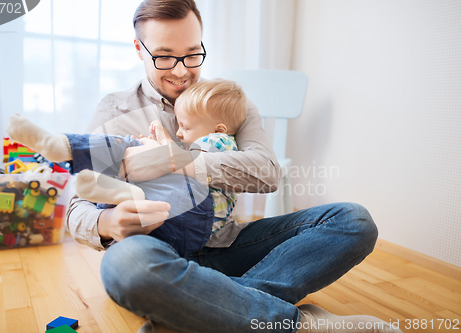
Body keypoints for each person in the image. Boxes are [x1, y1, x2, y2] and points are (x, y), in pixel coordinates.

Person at [66, 0, 402, 332]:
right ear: (139, 49)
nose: (182, 70)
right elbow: (77, 208)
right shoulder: (114, 111)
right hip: (155, 249)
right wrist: (108, 221)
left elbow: (266, 171)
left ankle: (213, 308)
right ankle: (295, 323)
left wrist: (182, 161)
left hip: (227, 244)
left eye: (193, 53)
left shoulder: (226, 103)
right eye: (165, 56)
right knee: (126, 264)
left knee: (353, 220)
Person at [5, 79, 247, 258]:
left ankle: (81, 159)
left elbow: (187, 163)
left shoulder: (221, 142)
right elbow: (179, 161)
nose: (180, 132)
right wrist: (148, 148)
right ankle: (63, 146)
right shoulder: (114, 107)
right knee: (130, 144)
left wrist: (160, 145)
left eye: (185, 127)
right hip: (175, 211)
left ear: (219, 129)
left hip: (198, 221)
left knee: (141, 149)